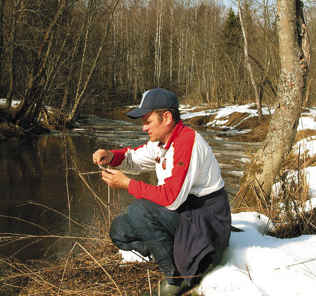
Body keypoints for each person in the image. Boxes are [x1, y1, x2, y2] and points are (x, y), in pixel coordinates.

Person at [92, 88, 231, 296]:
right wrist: (111, 156)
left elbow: (171, 198)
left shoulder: (187, 142)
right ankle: (175, 251)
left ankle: (177, 276)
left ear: (166, 117)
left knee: (140, 209)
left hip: (208, 225)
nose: (144, 127)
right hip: (185, 215)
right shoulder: (161, 143)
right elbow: (134, 158)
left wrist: (128, 184)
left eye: (148, 121)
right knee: (119, 229)